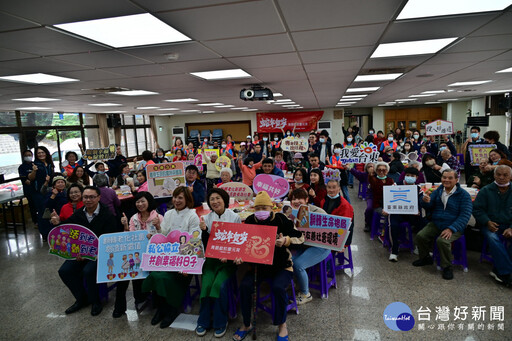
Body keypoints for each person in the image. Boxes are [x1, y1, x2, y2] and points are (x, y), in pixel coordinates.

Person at [233, 191, 304, 341]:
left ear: (271, 207)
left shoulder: (281, 219)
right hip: (258, 267)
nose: (261, 211)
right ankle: (246, 324)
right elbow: (244, 244)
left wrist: (286, 240)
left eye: (264, 207)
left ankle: (282, 325)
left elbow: (300, 237)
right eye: (258, 208)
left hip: (281, 266)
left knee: (278, 287)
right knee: (245, 286)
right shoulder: (250, 220)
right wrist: (240, 256)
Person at [53, 186, 118, 316]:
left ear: (99, 198)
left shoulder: (107, 214)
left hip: (101, 254)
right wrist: (57, 223)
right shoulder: (79, 214)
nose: (88, 200)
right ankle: (82, 299)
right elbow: (67, 230)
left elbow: (111, 240)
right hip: (80, 253)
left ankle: (96, 302)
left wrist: (89, 253)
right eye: (86, 197)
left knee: (88, 271)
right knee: (64, 271)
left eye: (92, 197)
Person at [142, 187, 200, 328]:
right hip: (168, 256)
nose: (176, 200)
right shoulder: (168, 214)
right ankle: (162, 308)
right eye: (175, 197)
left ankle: (171, 309)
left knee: (166, 277)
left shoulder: (192, 216)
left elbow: (195, 241)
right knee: (155, 274)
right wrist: (157, 229)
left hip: (185, 258)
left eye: (180, 198)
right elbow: (165, 234)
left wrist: (185, 265)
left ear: (187, 199)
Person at [196, 188, 241, 337]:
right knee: (206, 285)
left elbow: (238, 242)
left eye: (218, 198)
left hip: (228, 262)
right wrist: (203, 231)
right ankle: (204, 320)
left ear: (225, 199)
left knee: (218, 286)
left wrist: (229, 254)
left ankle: (221, 321)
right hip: (211, 260)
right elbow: (203, 245)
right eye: (212, 199)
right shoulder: (206, 218)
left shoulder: (234, 217)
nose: (215, 202)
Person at [413, 169, 472, 280]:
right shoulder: (438, 191)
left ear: (456, 180)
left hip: (454, 226)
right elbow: (429, 205)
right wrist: (425, 201)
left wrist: (451, 229)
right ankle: (425, 258)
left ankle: (447, 267)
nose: (446, 180)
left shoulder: (464, 195)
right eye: (444, 177)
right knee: (420, 236)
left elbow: (465, 216)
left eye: (450, 178)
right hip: (437, 223)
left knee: (442, 241)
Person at [115, 192, 163, 318]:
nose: (140, 204)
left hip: (155, 253)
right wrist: (125, 226)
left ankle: (157, 300)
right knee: (134, 268)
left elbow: (164, 236)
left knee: (154, 272)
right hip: (138, 253)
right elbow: (129, 237)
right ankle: (141, 298)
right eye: (137, 202)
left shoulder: (158, 216)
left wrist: (157, 228)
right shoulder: (133, 218)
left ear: (149, 201)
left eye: (143, 201)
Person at [473, 165, 512, 286]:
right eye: (498, 174)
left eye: (505, 175)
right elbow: (477, 209)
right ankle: (507, 273)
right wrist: (487, 221)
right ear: (494, 175)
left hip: (509, 224)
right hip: (489, 224)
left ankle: (499, 270)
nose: (501, 177)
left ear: (510, 176)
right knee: (493, 239)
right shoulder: (486, 190)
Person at [288, 188, 328, 305]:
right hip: (303, 246)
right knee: (288, 260)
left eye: (300, 198)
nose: (297, 201)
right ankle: (295, 282)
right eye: (294, 199)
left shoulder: (317, 212)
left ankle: (306, 293)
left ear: (306, 199)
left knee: (298, 265)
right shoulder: (291, 213)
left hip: (320, 246)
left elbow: (329, 232)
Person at [385, 167, 424, 262]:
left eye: (412, 176)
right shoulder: (395, 185)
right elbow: (388, 198)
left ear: (416, 177)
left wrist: (418, 210)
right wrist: (385, 208)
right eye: (407, 175)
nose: (409, 177)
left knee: (423, 223)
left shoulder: (419, 189)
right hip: (397, 213)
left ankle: (419, 247)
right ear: (404, 176)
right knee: (393, 225)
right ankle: (394, 251)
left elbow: (420, 202)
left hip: (411, 213)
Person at [321, 180, 354, 246]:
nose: (331, 190)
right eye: (329, 187)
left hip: (338, 235)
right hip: (326, 232)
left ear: (339, 189)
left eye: (334, 187)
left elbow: (346, 226)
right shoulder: (323, 201)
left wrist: (343, 244)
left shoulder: (345, 205)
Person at [39, 175, 68, 240]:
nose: (61, 184)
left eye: (62, 182)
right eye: (58, 182)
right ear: (54, 185)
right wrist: (53, 195)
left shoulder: (66, 192)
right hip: (55, 215)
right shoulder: (50, 193)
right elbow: (47, 205)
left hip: (65, 215)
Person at [350, 163, 375, 231]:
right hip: (371, 197)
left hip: (380, 197)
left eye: (373, 166)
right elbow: (357, 173)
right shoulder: (365, 175)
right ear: (366, 169)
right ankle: (367, 224)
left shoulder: (379, 175)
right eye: (369, 167)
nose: (371, 168)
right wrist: (349, 168)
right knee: (369, 209)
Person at [18, 149, 38, 225]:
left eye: (29, 155)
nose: (28, 157)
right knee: (32, 206)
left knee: (38, 205)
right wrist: (29, 179)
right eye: (26, 155)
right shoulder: (22, 167)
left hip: (37, 188)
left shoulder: (35, 164)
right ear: (23, 157)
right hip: (29, 190)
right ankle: (35, 221)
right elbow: (25, 180)